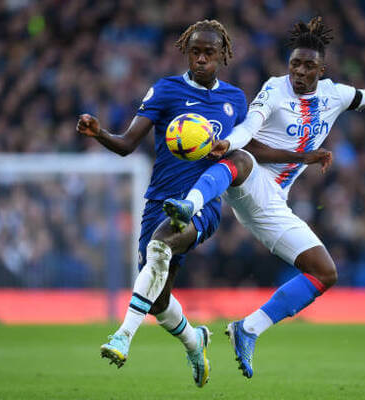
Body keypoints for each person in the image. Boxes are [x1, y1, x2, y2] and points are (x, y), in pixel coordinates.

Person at [162, 16, 365, 379]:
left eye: (307, 66)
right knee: (240, 157)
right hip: (247, 176)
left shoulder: (336, 95)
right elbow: (249, 128)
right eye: (294, 63)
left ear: (321, 69)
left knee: (325, 272)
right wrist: (228, 141)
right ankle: (191, 203)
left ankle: (248, 328)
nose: (299, 71)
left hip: (272, 202)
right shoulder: (273, 89)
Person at [75, 19, 330, 387]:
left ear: (222, 56)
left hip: (203, 205)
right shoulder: (165, 91)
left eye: (208, 53)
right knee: (159, 300)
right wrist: (99, 132)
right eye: (195, 52)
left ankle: (122, 336)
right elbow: (128, 144)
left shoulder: (234, 99)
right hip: (159, 201)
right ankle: (196, 342)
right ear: (186, 52)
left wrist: (299, 155)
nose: (201, 59)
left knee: (162, 244)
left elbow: (248, 147)